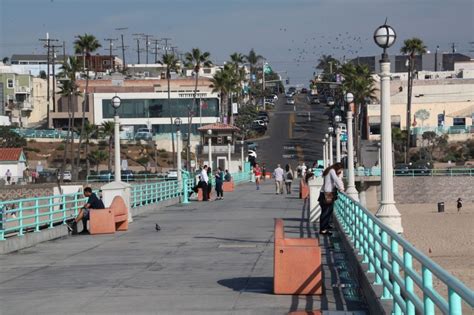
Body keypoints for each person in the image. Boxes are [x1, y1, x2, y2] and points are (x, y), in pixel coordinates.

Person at [318, 162, 345, 235]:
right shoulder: (332, 171)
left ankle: (325, 226)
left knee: (328, 210)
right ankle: (323, 229)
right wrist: (341, 188)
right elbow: (336, 180)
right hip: (327, 193)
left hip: (325, 193)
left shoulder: (330, 170)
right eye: (340, 170)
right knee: (326, 211)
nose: (340, 172)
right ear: (338, 168)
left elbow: (335, 180)